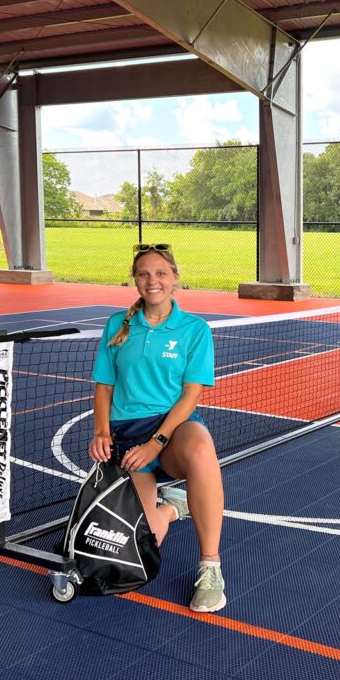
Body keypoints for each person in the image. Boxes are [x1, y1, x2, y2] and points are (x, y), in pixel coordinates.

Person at [89, 243, 226, 612]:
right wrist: (102, 432)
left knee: (201, 449)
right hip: (125, 435)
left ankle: (210, 566)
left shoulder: (194, 330)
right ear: (135, 280)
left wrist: (156, 442)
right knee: (138, 545)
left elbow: (190, 396)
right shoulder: (117, 325)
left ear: (175, 279)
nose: (153, 281)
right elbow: (104, 385)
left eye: (161, 273)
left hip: (173, 429)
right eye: (144, 274)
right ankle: (170, 509)